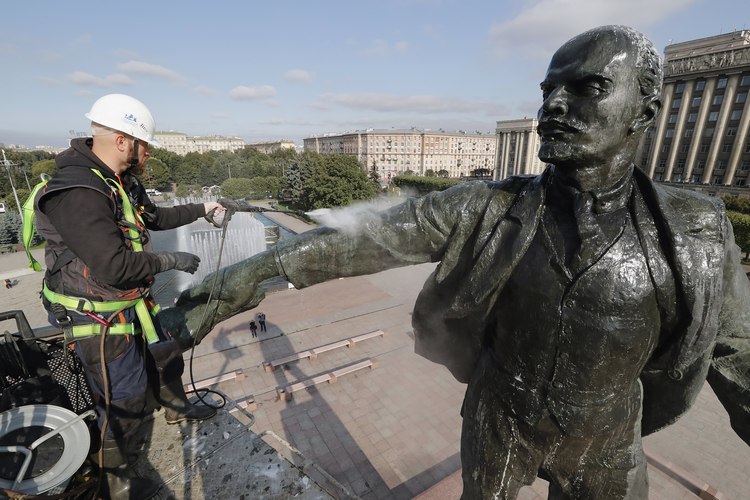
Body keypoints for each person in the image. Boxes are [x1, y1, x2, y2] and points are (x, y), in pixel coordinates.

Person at [161, 26, 750, 499]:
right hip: (500, 419)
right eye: (548, 89)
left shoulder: (695, 231)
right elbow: (359, 239)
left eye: (586, 88)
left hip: (608, 441)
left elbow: (736, 352)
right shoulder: (487, 207)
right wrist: (224, 290)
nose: (553, 105)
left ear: (643, 113)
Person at [31, 94, 225, 500]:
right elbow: (113, 266)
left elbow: (155, 217)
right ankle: (114, 483)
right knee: (124, 398)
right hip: (97, 316)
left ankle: (176, 410)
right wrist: (170, 259)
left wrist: (204, 208)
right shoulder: (78, 191)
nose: (148, 153)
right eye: (144, 144)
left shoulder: (119, 181)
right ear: (122, 141)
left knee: (166, 355)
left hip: (129, 302)